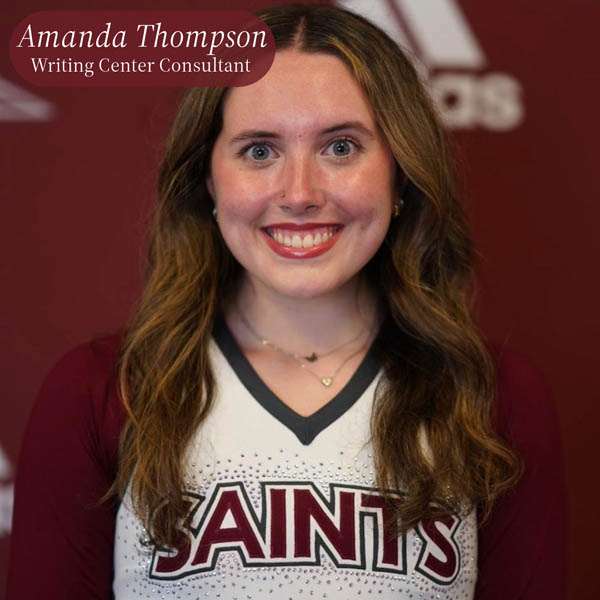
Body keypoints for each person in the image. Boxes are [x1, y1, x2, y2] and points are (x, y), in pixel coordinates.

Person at [7, 4, 567, 599]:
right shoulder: (103, 391)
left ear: (400, 173)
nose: (299, 194)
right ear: (207, 179)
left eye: (341, 148)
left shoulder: (494, 398)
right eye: (259, 151)